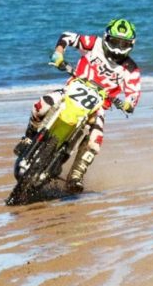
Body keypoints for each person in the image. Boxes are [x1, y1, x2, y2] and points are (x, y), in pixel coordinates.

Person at [14, 18, 142, 192]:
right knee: (41, 105)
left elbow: (133, 93)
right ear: (106, 38)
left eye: (123, 44)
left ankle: (76, 175)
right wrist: (59, 53)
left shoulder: (131, 69)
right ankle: (28, 136)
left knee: (95, 139)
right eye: (115, 42)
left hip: (98, 106)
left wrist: (127, 104)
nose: (118, 48)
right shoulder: (94, 44)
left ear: (131, 44)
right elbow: (67, 36)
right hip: (71, 91)